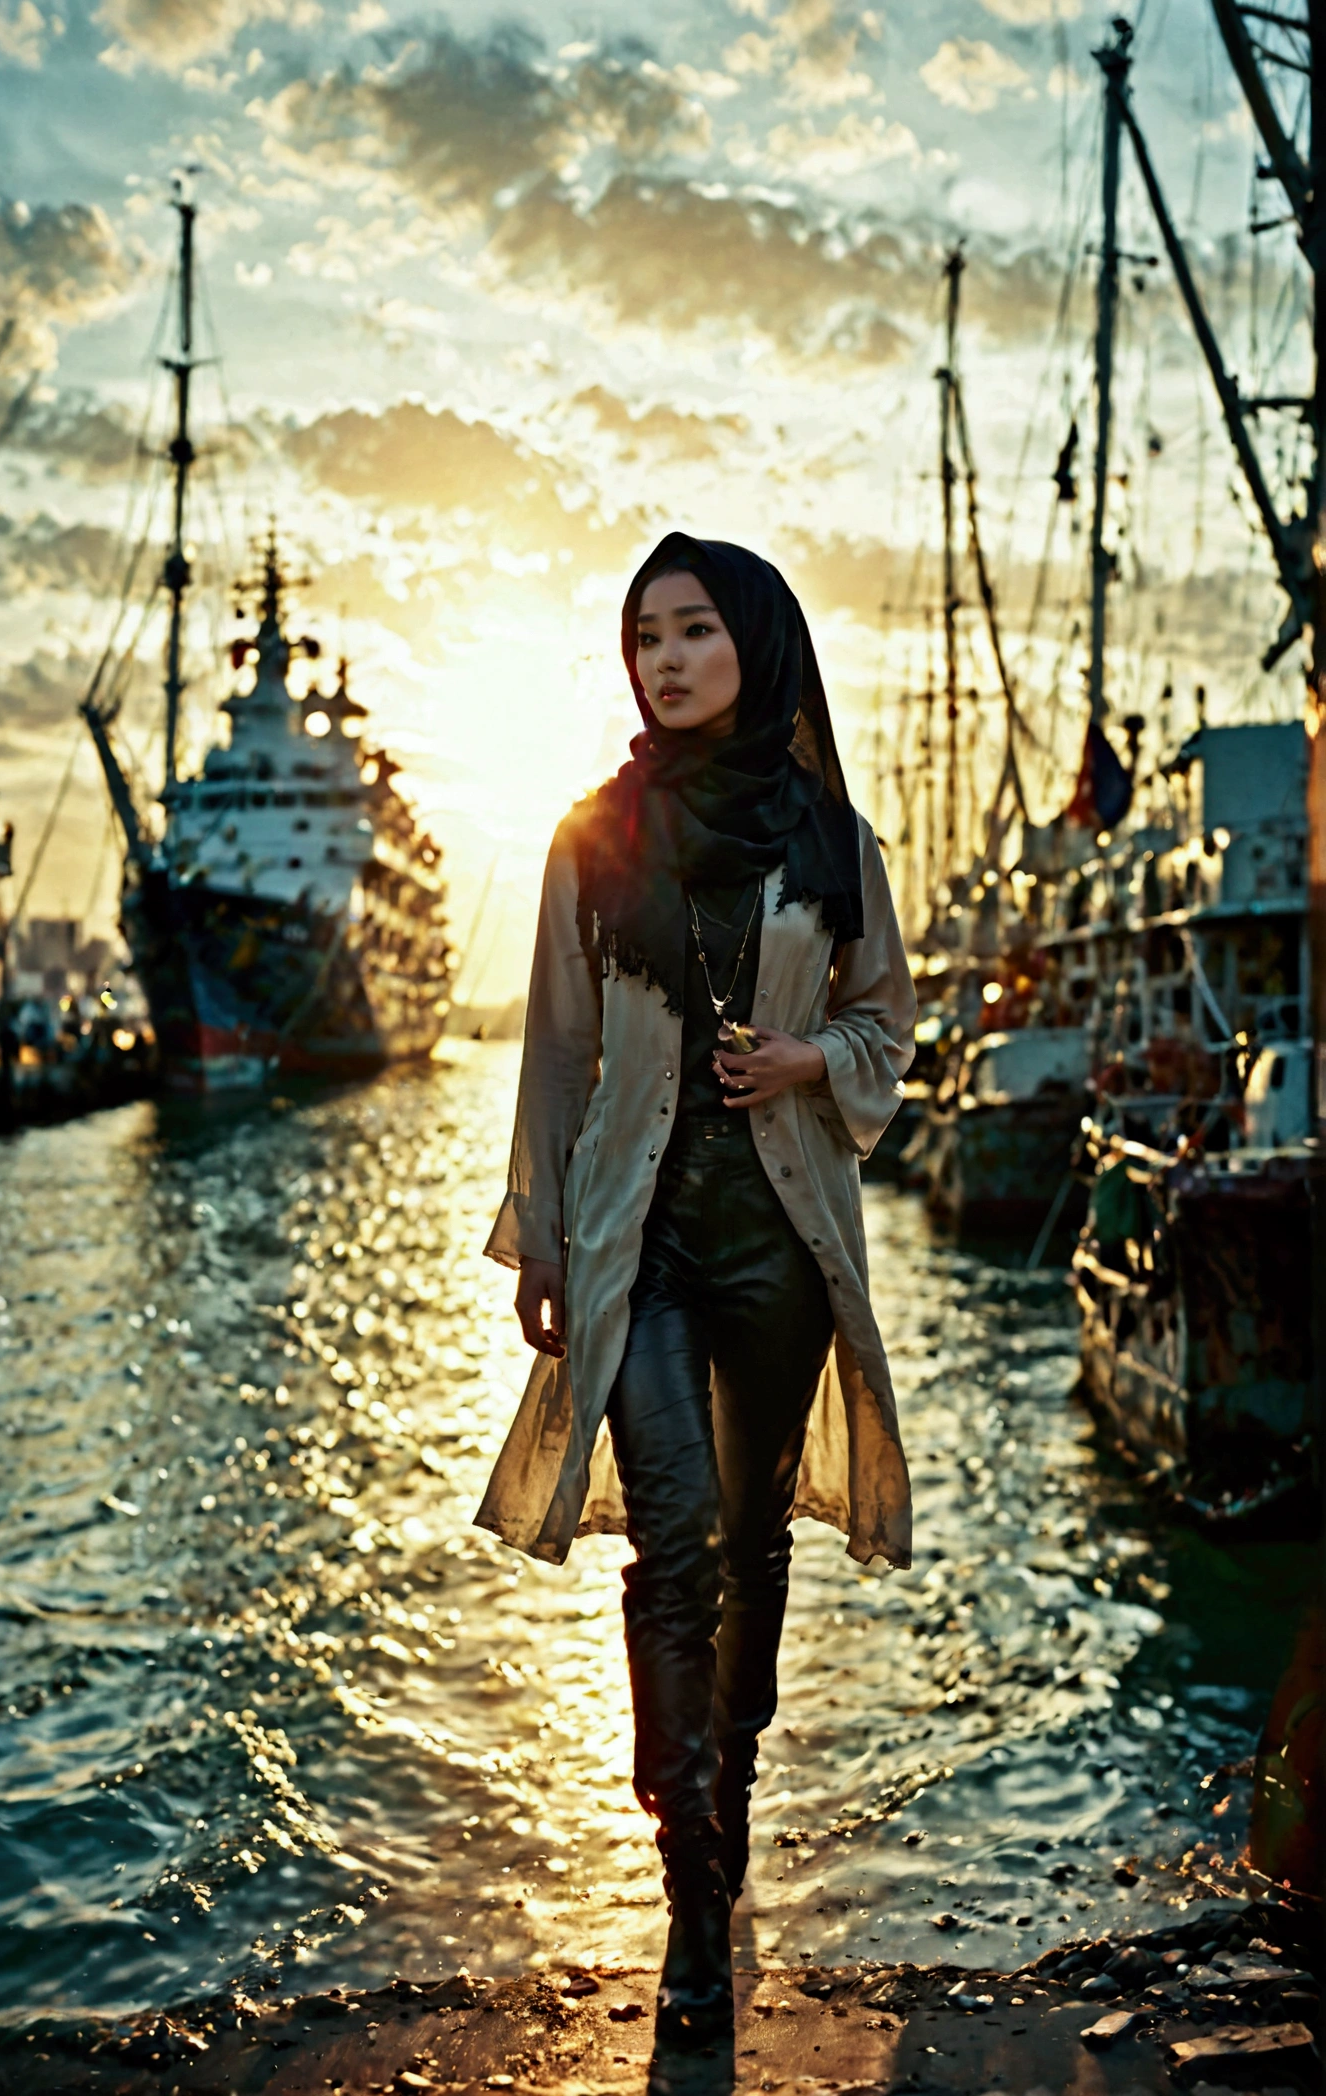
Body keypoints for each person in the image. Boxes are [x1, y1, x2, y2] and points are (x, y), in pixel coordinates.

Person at [477, 533, 916, 2047]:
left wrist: (811, 1059)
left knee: (750, 1543)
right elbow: (553, 1051)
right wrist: (540, 1240)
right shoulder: (590, 837)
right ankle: (692, 1894)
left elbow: (887, 1032)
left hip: (782, 1244)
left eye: (694, 630)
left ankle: (724, 1781)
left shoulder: (833, 838)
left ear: (759, 646)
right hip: (638, 1238)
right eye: (644, 636)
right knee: (670, 1543)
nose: (664, 659)